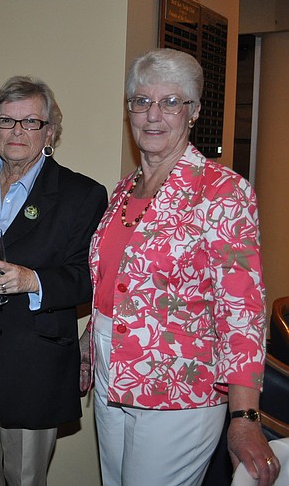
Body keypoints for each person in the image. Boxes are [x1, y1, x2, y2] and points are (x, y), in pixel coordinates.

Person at [79, 48, 279, 486]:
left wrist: (245, 417)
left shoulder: (223, 191)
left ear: (194, 112)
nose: (153, 115)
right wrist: (92, 339)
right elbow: (119, 281)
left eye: (170, 102)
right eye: (141, 101)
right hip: (113, 372)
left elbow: (242, 311)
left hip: (179, 387)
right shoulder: (124, 189)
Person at [0, 76, 107, 485]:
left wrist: (32, 280)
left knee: (23, 474)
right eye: (6, 121)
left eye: (30, 122)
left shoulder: (80, 194)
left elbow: (89, 277)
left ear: (49, 132)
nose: (17, 131)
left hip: (32, 346)